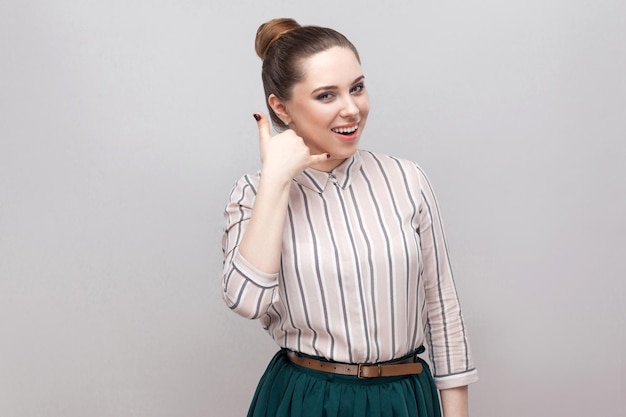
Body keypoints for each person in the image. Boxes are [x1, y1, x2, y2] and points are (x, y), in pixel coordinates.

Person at [221, 18, 478, 417]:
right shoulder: (254, 193)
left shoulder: (406, 180)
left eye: (356, 88)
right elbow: (246, 301)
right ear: (281, 107)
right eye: (327, 95)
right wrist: (275, 181)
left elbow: (443, 312)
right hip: (306, 399)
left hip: (403, 399)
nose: (351, 108)